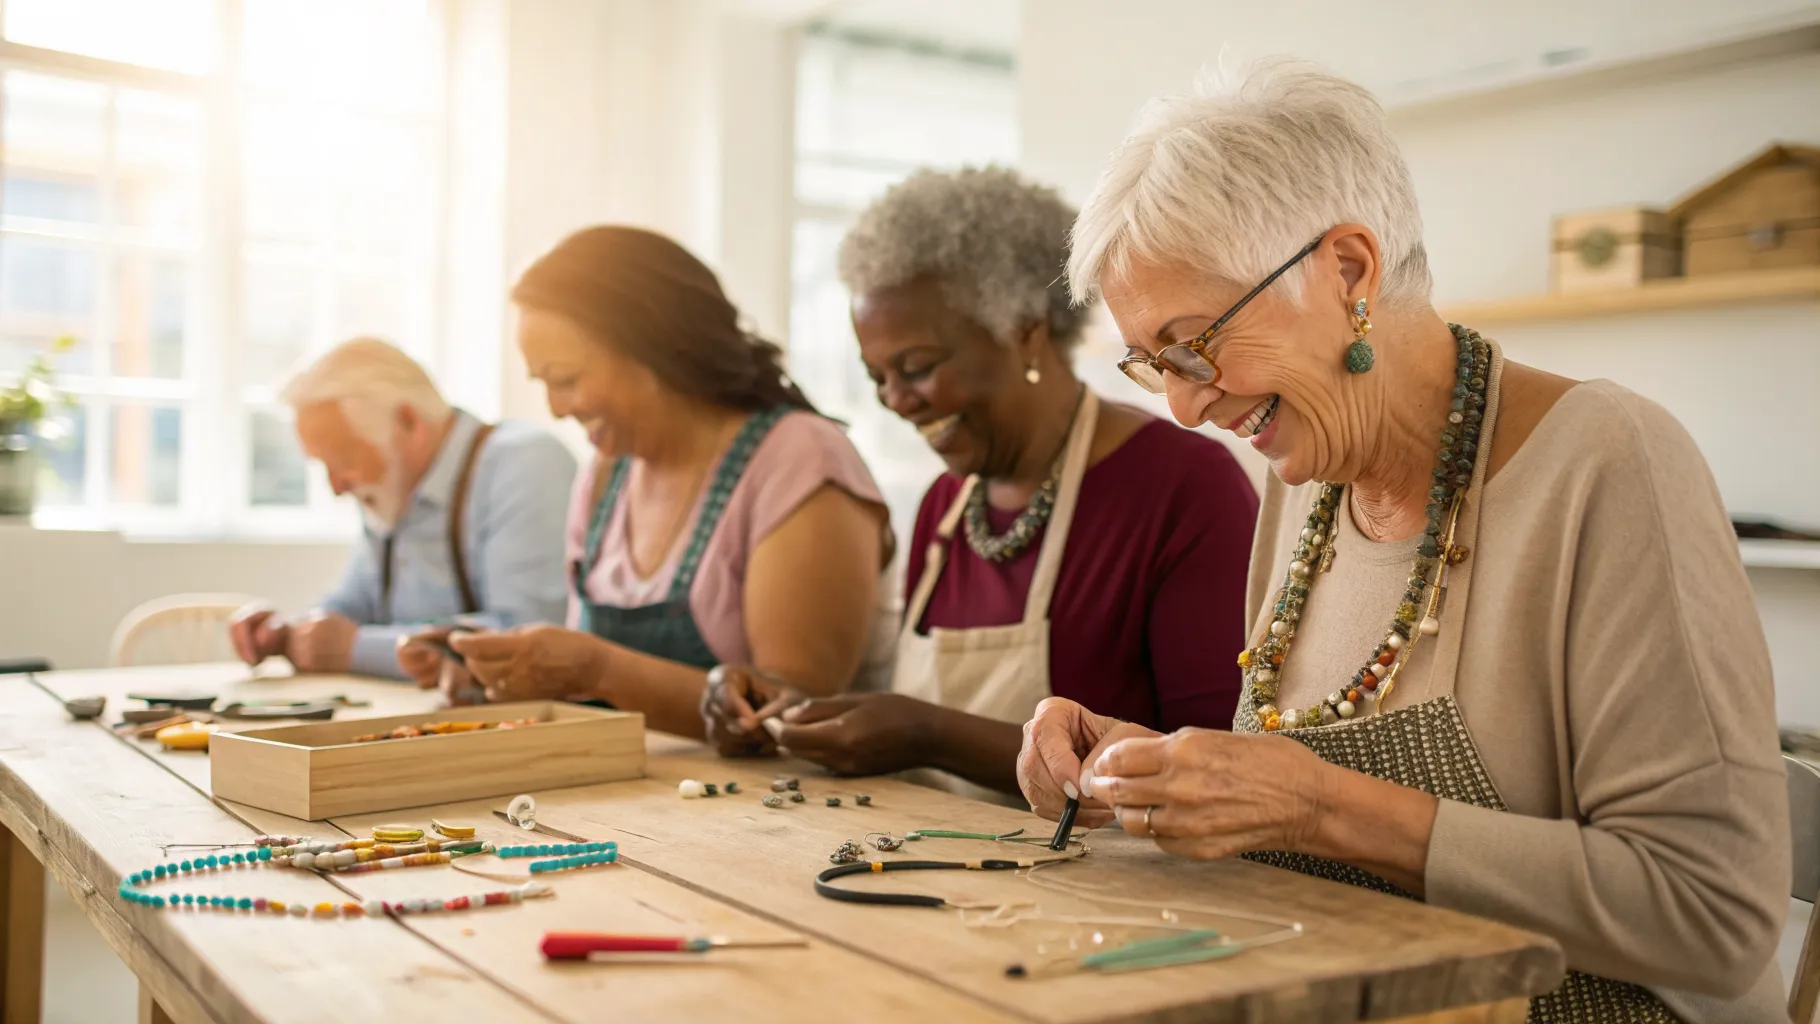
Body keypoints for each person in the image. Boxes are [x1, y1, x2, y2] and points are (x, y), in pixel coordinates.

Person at [1016, 60, 1786, 1021]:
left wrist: (1320, 804)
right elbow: (1299, 827)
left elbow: (1714, 916)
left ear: (1348, 270)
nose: (1181, 403)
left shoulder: (1608, 461)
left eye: (1194, 345)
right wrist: (1154, 777)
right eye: (1151, 364)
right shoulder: (1305, 482)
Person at [702, 167, 1257, 801]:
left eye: (917, 367)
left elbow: (1211, 764)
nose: (896, 400)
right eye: (877, 376)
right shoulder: (947, 506)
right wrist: (788, 710)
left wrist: (931, 736)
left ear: (1025, 333)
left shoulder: (1184, 490)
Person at [398, 226, 893, 738]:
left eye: (566, 378)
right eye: (543, 383)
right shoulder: (605, 475)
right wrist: (495, 670)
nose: (556, 408)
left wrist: (599, 669)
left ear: (652, 347)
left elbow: (794, 712)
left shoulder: (799, 458)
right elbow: (590, 697)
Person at [226, 338, 576, 680]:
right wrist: (290, 632)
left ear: (408, 423)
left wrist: (353, 649)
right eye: (324, 466)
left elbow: (523, 636)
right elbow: (357, 602)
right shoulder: (390, 491)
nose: (336, 488)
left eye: (344, 459)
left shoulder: (524, 463)